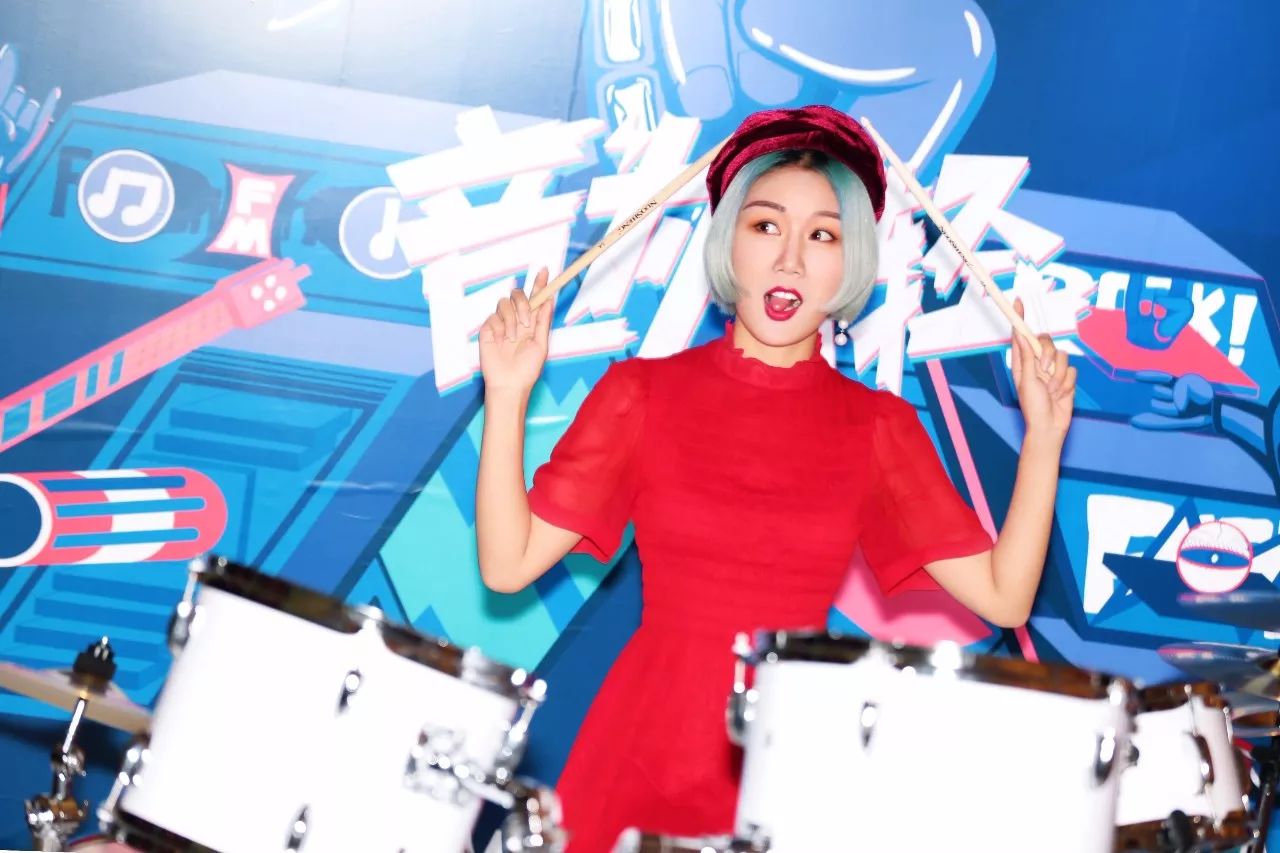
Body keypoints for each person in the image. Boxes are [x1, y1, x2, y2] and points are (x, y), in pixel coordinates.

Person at [474, 105, 1076, 852]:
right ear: (729, 239)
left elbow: (1004, 595)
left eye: (823, 235)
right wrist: (507, 393)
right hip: (641, 751)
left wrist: (1044, 437)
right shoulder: (643, 394)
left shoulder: (877, 427)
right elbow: (507, 564)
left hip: (789, 765)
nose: (790, 259)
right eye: (766, 226)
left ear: (851, 261)